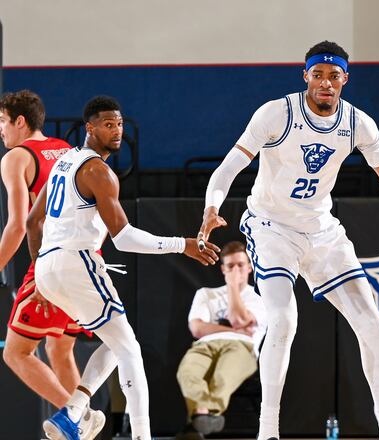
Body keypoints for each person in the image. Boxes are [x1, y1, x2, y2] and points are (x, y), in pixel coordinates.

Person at [197, 40, 379, 440]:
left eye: (333, 75)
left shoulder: (358, 123)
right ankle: (268, 431)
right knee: (284, 319)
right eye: (317, 74)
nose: (325, 82)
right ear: (305, 76)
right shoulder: (276, 113)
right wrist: (211, 207)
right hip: (272, 227)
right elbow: (228, 167)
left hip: (322, 231)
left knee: (372, 323)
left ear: (345, 80)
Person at [26, 95, 219, 440]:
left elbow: (33, 222)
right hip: (75, 261)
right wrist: (183, 244)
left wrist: (40, 273)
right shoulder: (98, 172)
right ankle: (140, 435)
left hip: (47, 267)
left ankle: (73, 412)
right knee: (129, 350)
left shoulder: (63, 162)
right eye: (107, 124)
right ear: (89, 128)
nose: (116, 131)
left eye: (119, 124)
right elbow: (125, 238)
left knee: (118, 342)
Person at [0, 89, 106, 438]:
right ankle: (83, 422)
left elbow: (19, 225)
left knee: (16, 353)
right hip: (89, 257)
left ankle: (77, 418)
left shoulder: (16, 157)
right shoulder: (67, 149)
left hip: (53, 260)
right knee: (59, 348)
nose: (1, 130)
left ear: (20, 121)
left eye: (2, 121)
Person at [176, 240, 266, 438]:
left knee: (222, 377)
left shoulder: (259, 298)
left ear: (250, 267)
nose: (236, 270)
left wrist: (233, 286)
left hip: (241, 347)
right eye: (230, 266)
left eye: (240, 265)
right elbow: (197, 328)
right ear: (223, 269)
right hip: (204, 346)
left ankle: (199, 418)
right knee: (187, 372)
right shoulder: (205, 294)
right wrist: (236, 329)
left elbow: (238, 319)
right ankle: (205, 417)